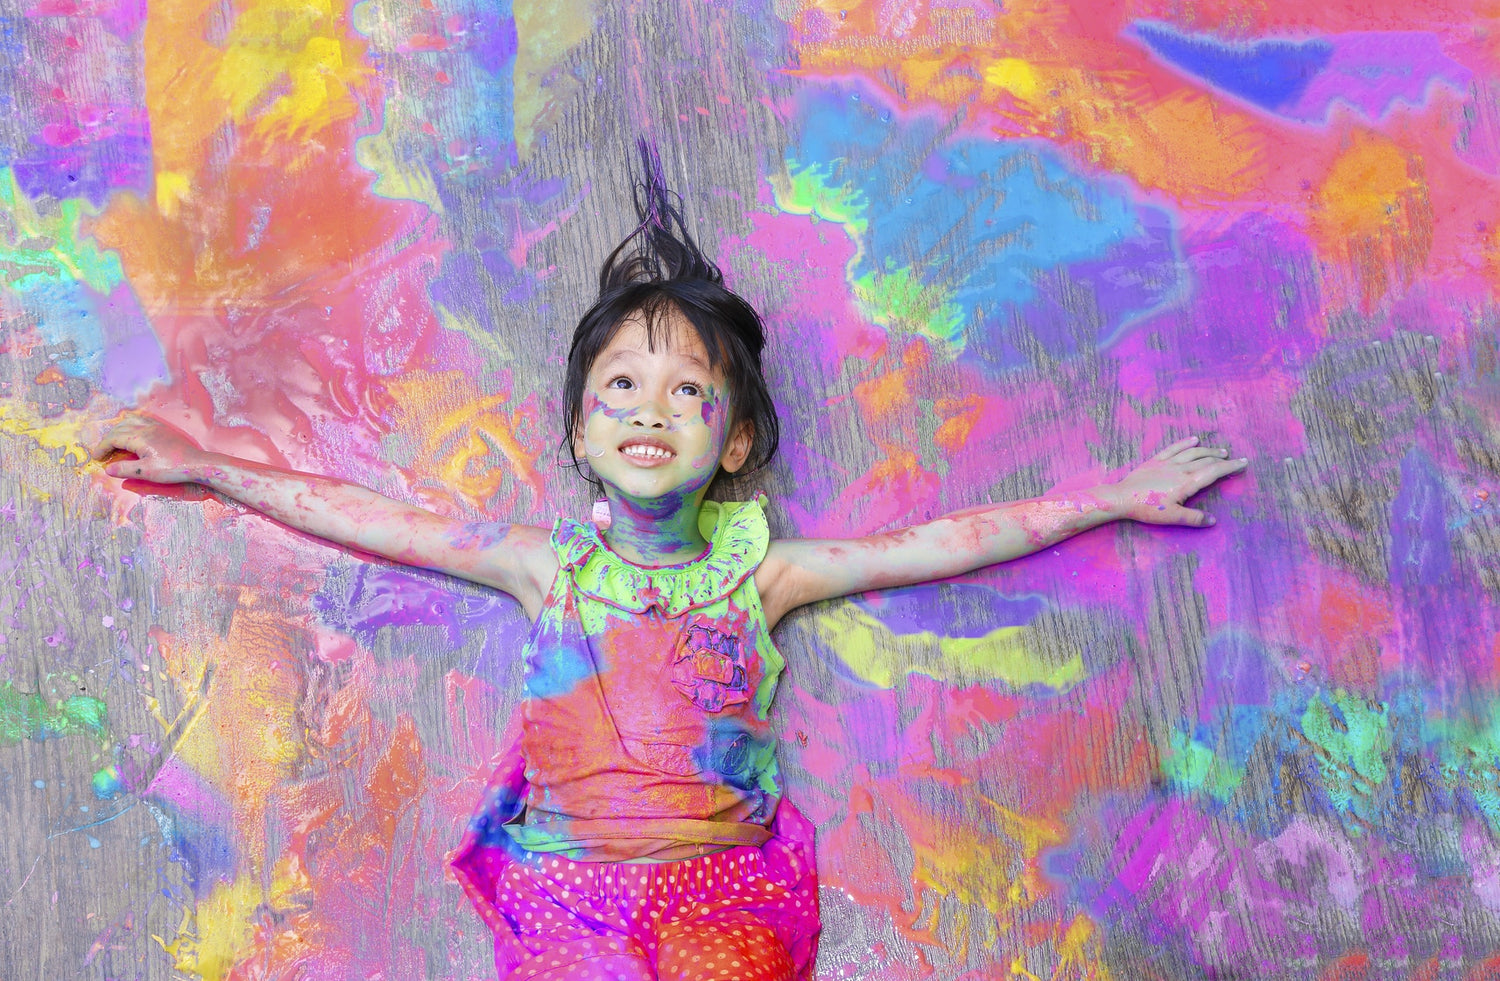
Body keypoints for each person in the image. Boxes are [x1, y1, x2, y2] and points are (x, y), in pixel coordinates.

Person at [90, 142, 1248, 981]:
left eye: (689, 389)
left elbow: (939, 545)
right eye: (622, 390)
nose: (653, 409)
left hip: (724, 900)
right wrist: (215, 464)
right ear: (586, 436)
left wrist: (1113, 495)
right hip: (569, 900)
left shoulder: (764, 576)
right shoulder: (546, 572)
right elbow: (362, 514)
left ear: (733, 440)